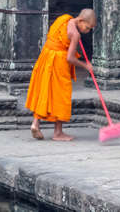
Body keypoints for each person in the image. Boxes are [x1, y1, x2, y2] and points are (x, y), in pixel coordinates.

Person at [25, 9, 96, 141]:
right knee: (61, 95)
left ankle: (35, 123)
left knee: (44, 90)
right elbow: (70, 58)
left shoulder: (64, 19)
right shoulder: (75, 34)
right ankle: (58, 133)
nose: (87, 31)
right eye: (87, 27)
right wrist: (85, 65)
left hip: (46, 57)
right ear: (81, 21)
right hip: (59, 63)